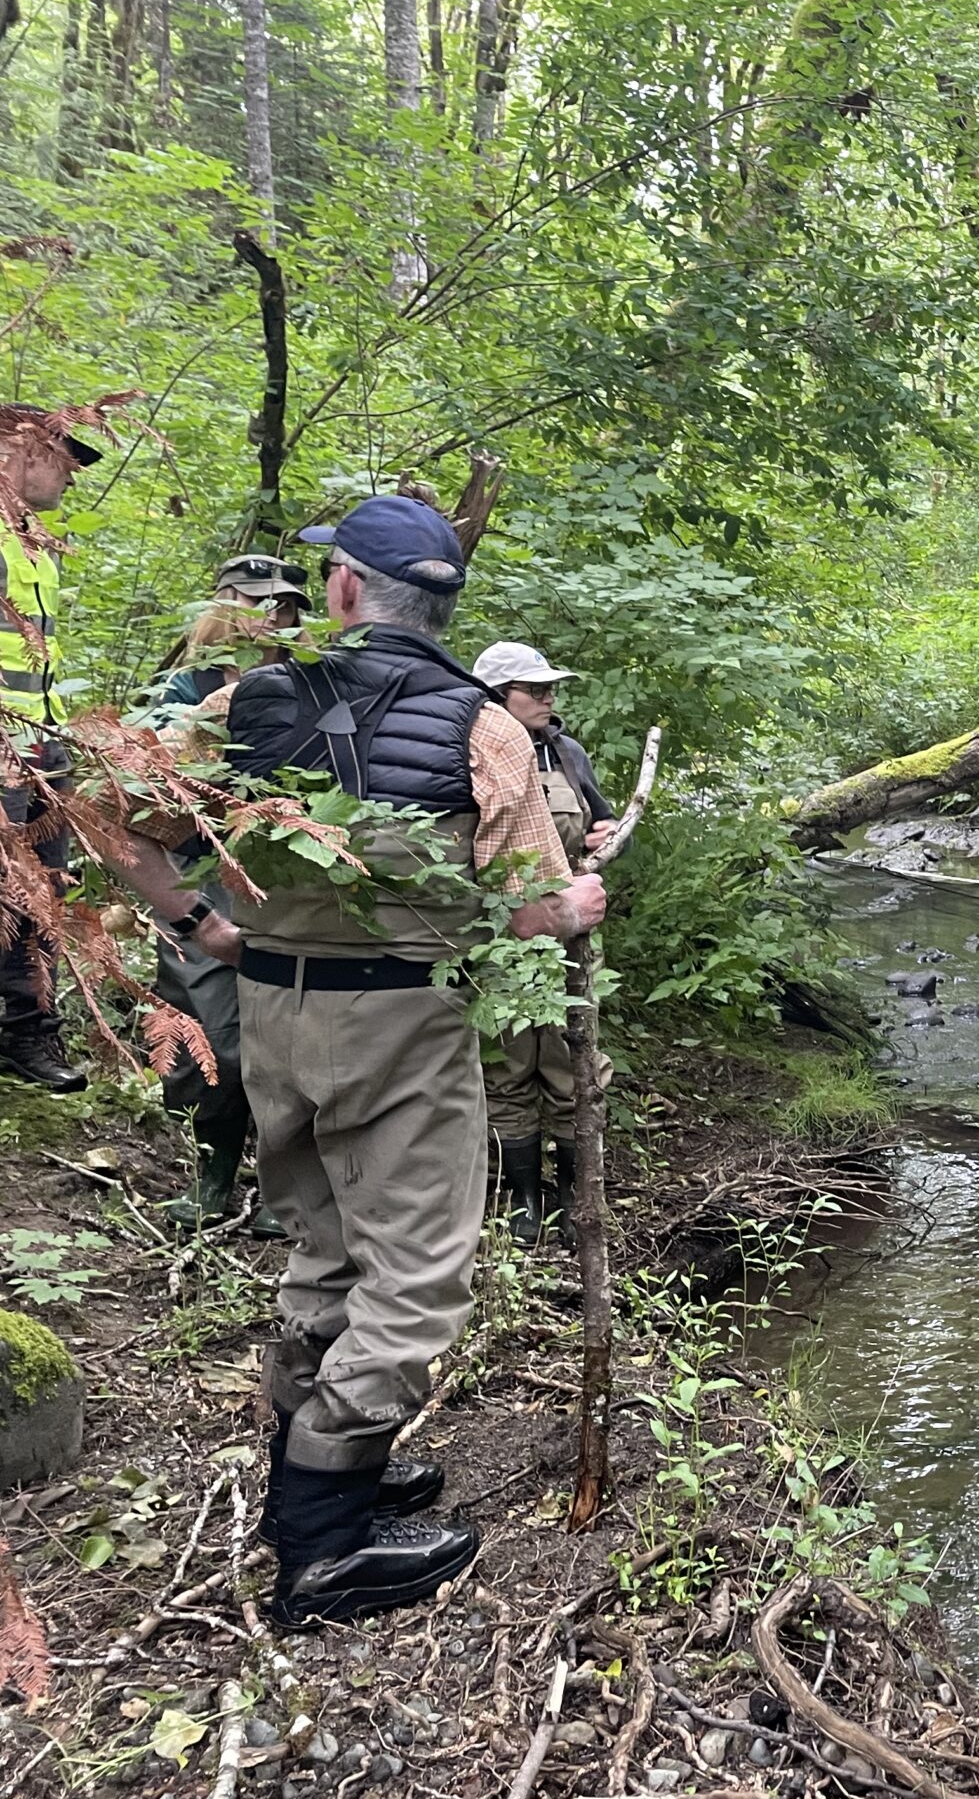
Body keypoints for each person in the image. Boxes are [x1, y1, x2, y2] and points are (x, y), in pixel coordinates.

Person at [105, 496, 606, 1626]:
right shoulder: (488, 732)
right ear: (443, 607)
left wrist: (203, 932)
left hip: (275, 1017)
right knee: (420, 1281)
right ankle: (324, 1544)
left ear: (340, 593)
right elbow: (520, 911)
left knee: (324, 1253)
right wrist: (574, 904)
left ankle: (322, 1481)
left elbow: (119, 822)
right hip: (402, 1029)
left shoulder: (245, 704)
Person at [148, 556, 310, 1234]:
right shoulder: (183, 689)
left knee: (287, 1036)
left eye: (285, 607)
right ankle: (212, 1176)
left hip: (282, 875)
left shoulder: (303, 685)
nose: (275, 617)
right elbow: (143, 783)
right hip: (200, 876)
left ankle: (284, 1191)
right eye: (261, 603)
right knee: (210, 1037)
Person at [469, 641, 615, 1245]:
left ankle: (576, 1194)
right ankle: (522, 1199)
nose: (549, 698)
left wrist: (608, 839)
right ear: (498, 697)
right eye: (536, 689)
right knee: (505, 1068)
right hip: (498, 942)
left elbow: (601, 825)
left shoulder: (567, 751)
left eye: (551, 687)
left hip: (570, 941)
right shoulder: (469, 752)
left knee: (572, 1067)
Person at [0, 406, 103, 1093]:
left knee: (42, 899)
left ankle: (26, 1034)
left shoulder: (33, 542)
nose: (72, 473)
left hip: (41, 752)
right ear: (20, 447)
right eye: (63, 456)